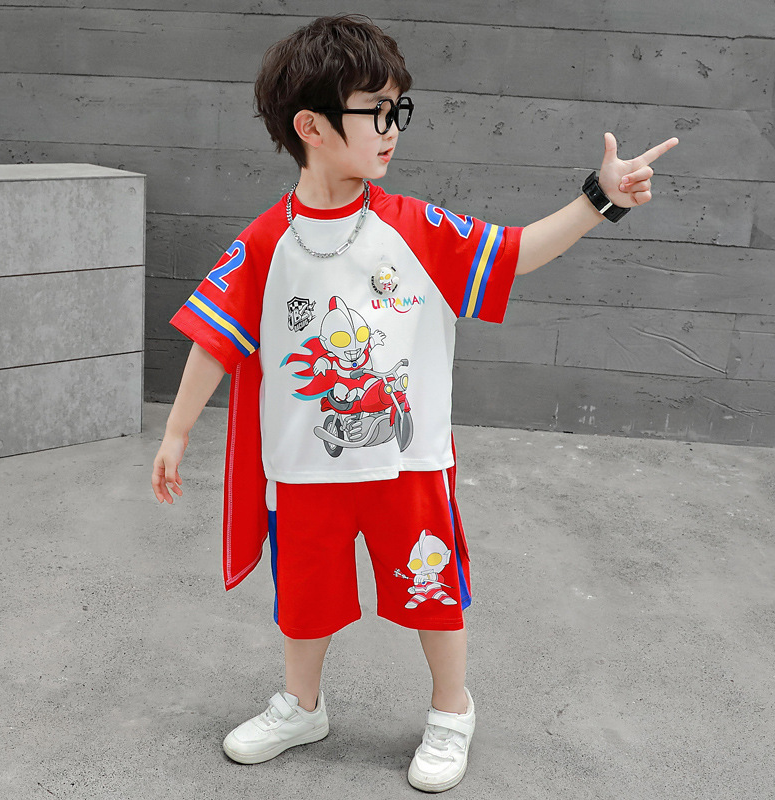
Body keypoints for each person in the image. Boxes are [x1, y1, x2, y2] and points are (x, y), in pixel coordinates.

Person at [151, 14, 677, 793]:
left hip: (410, 464)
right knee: (303, 602)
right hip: (304, 470)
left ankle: (451, 710)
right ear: (311, 127)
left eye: (399, 108)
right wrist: (176, 431)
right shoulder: (265, 242)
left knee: (431, 593)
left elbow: (516, 253)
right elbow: (213, 338)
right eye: (375, 111)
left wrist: (601, 197)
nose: (393, 127)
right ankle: (301, 706)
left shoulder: (416, 228)